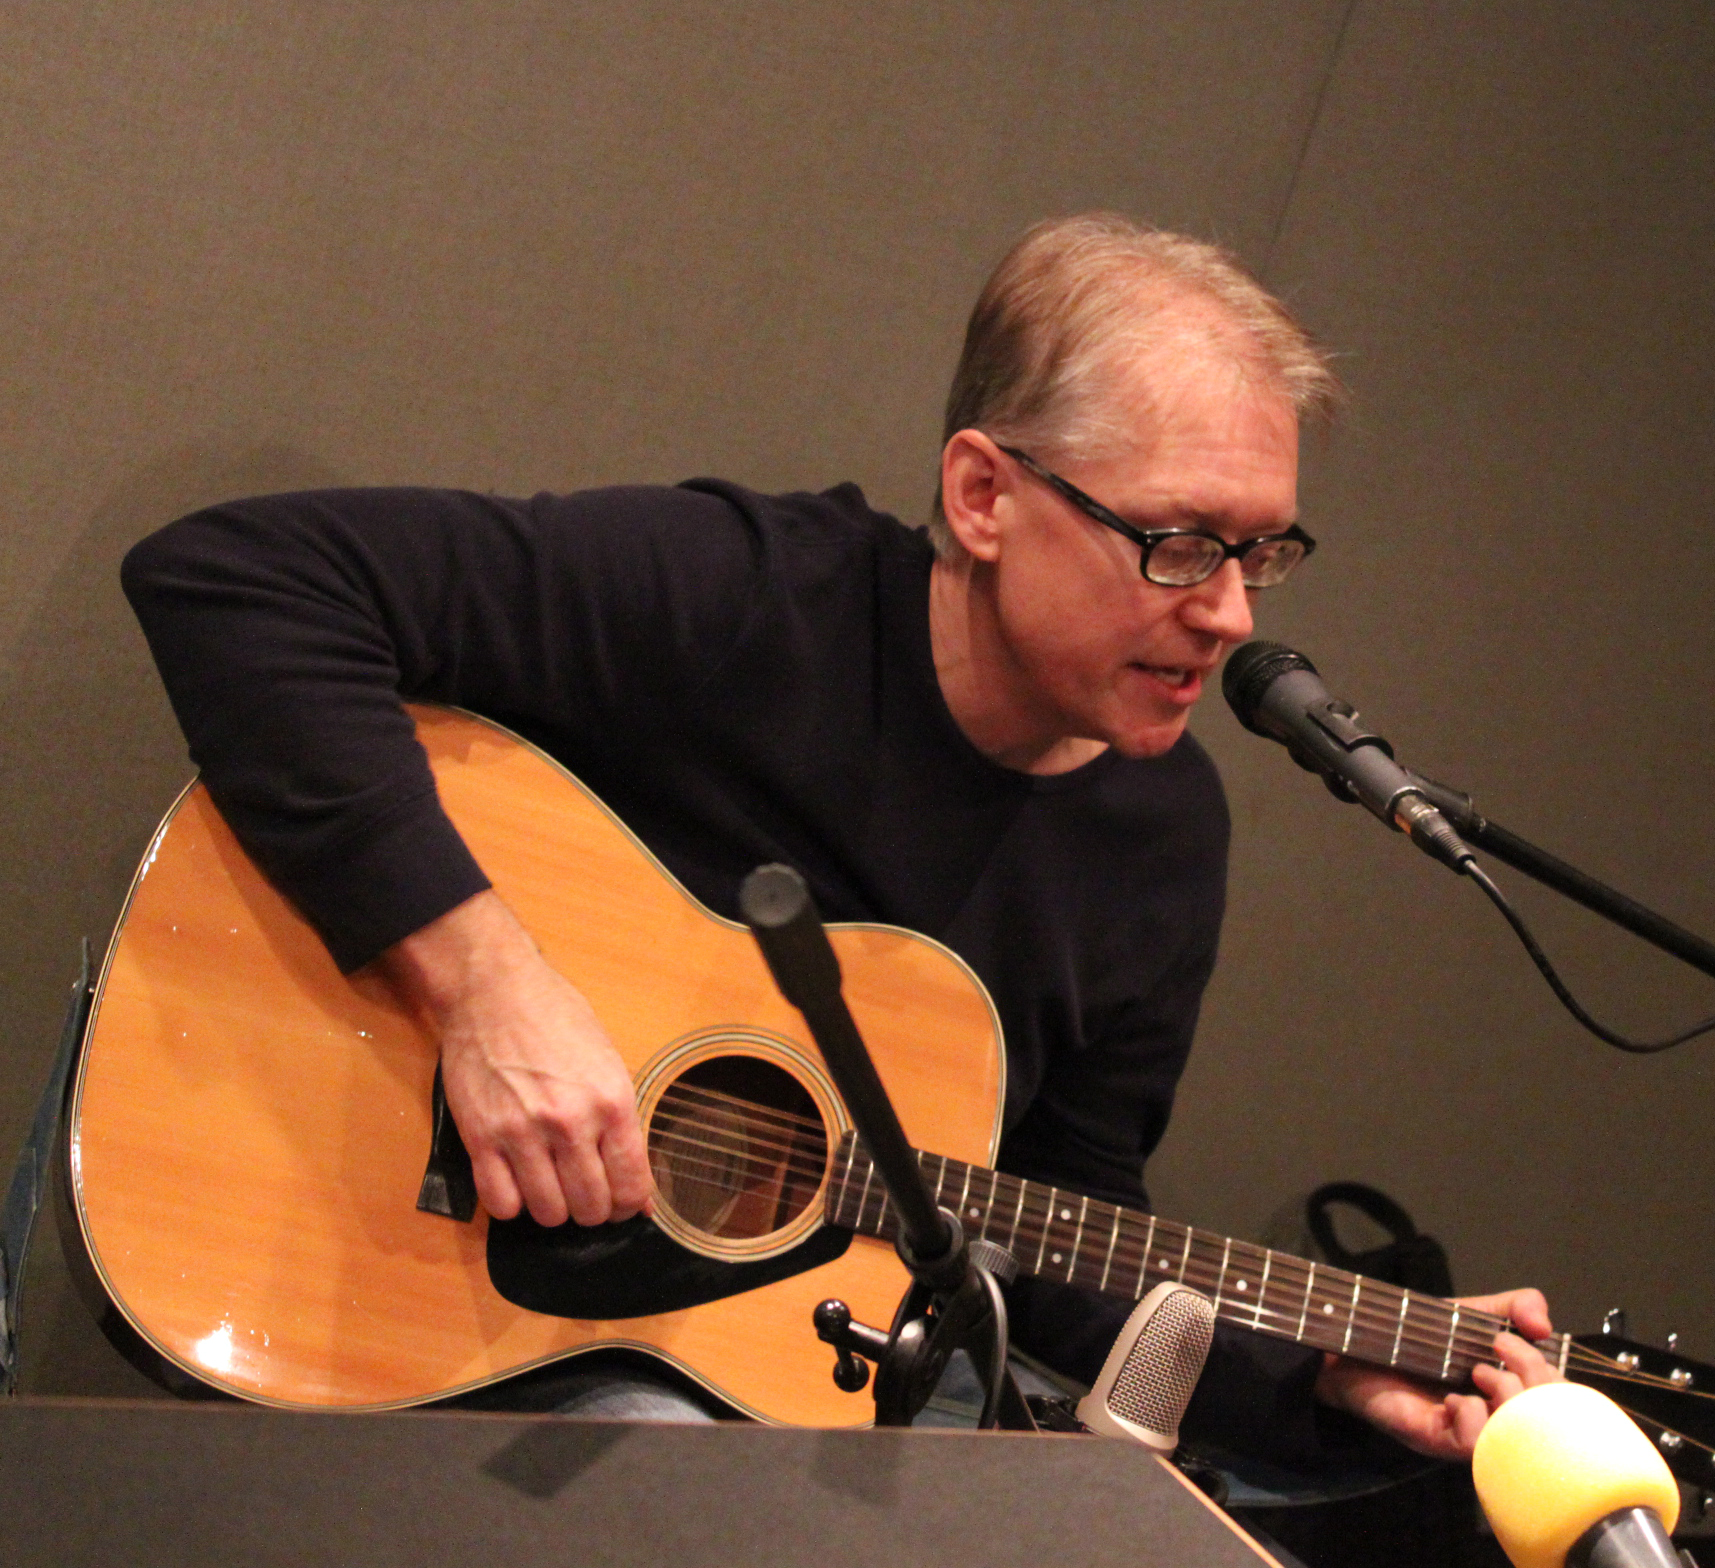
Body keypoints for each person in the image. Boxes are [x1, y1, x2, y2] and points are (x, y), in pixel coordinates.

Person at [121, 213, 1556, 1464]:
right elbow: (236, 583)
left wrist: (1309, 1366)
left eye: (1263, 553)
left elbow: (1055, 1231)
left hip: (704, 1373)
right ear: (985, 496)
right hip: (366, 1230)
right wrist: (486, 987)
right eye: (1180, 544)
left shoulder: (1162, 833)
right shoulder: (747, 600)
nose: (1233, 613)